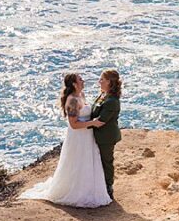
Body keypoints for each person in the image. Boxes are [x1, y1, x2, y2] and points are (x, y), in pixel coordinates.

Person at [20, 72, 111, 208]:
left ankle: (89, 190)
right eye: (80, 79)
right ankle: (77, 192)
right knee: (77, 163)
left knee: (87, 162)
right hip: (78, 137)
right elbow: (74, 125)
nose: (83, 80)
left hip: (87, 136)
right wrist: (92, 123)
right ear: (74, 84)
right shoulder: (72, 100)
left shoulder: (81, 95)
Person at [90, 69, 122, 199]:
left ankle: (109, 188)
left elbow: (100, 121)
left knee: (106, 161)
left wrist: (81, 124)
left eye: (102, 79)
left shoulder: (112, 101)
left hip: (106, 137)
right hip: (98, 135)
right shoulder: (103, 95)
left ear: (109, 82)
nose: (99, 82)